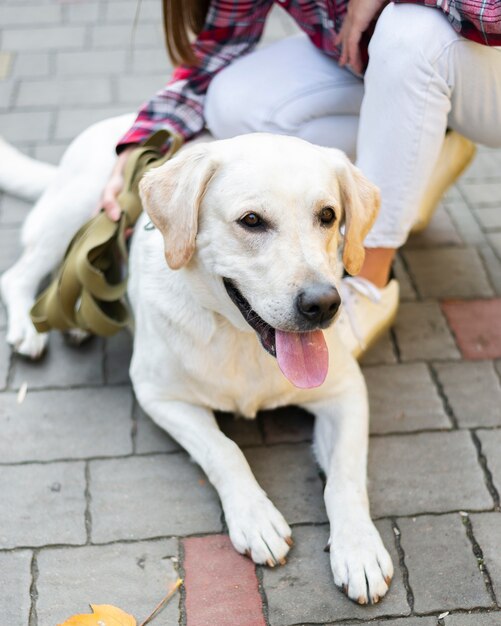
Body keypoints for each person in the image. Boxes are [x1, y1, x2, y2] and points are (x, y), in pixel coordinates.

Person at [102, 0, 501, 356]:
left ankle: (370, 281)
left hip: (479, 65)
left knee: (409, 32)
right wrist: (141, 146)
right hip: (381, 65)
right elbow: (212, 59)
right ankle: (425, 151)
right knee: (232, 101)